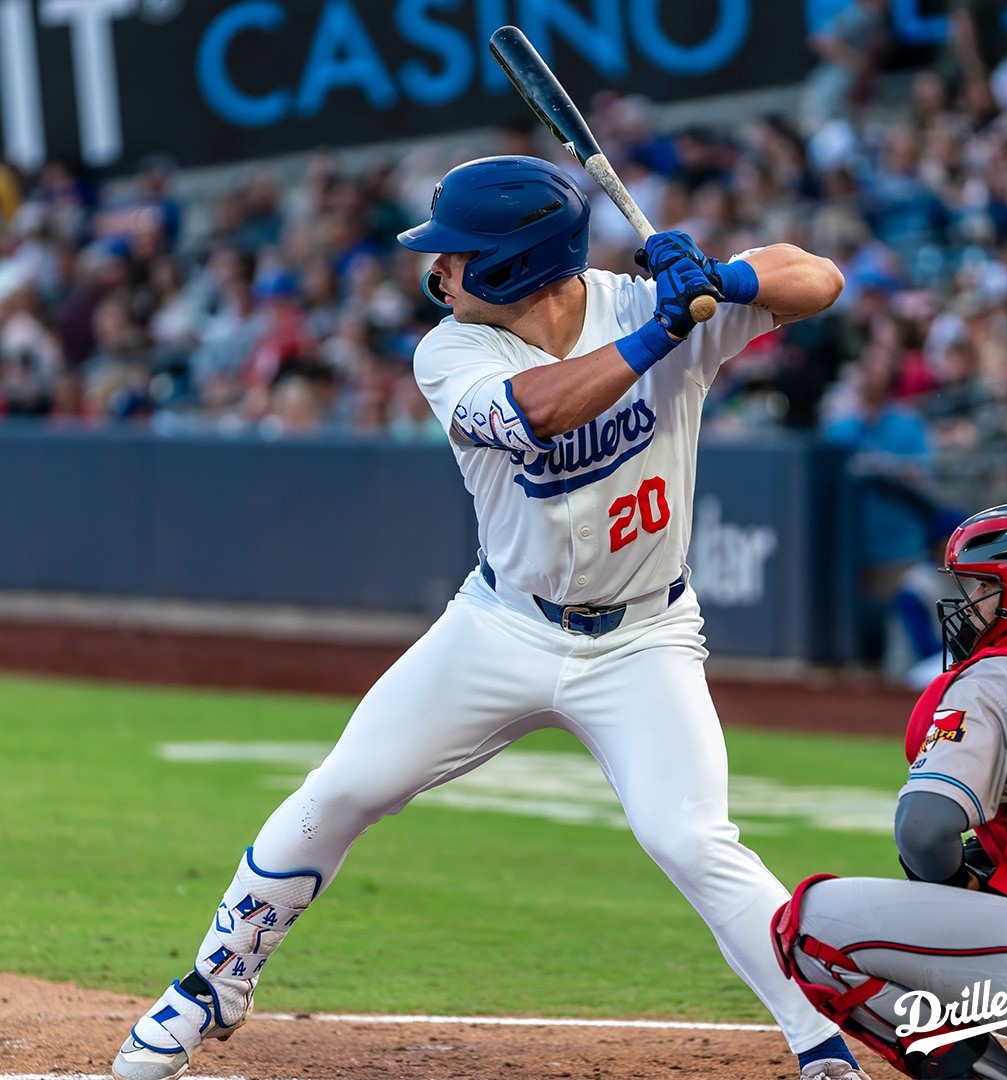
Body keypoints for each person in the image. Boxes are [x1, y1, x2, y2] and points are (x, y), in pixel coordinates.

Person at [111, 155, 860, 1080]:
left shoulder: (649, 306)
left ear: (513, 265)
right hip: (501, 626)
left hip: (644, 638)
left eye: (459, 256)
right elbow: (536, 413)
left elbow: (818, 279)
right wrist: (667, 328)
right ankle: (211, 984)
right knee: (343, 787)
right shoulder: (453, 349)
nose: (440, 272)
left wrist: (724, 277)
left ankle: (821, 1041)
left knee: (690, 836)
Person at [772, 501, 1007, 1080]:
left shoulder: (1005, 675)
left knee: (810, 927)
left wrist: (970, 885)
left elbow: (924, 832)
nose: (969, 605)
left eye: (983, 588)